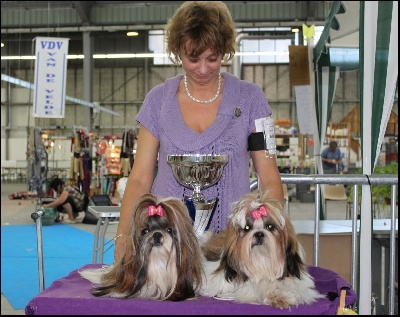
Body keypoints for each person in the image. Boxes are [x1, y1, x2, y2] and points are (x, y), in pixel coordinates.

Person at [114, 1, 283, 261]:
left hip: (232, 248)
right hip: (167, 250)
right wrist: (124, 240)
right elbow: (139, 179)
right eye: (193, 59)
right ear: (177, 51)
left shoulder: (251, 100)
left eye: (212, 58)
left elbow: (269, 177)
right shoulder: (157, 101)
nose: (203, 69)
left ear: (225, 51)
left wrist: (275, 235)